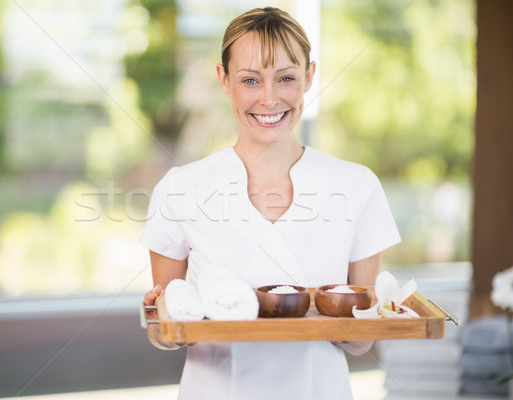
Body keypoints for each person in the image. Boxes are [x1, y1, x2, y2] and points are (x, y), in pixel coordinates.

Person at [140, 7, 400, 399]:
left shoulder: (357, 186)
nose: (269, 98)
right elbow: (170, 330)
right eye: (250, 80)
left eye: (286, 78)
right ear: (224, 81)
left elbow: (359, 342)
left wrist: (379, 315)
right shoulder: (180, 188)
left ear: (310, 77)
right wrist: (165, 324)